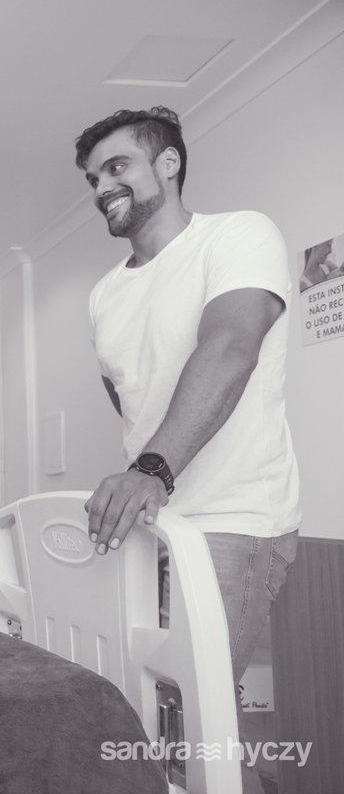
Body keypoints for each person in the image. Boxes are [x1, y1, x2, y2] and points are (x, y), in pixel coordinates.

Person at [76, 107, 300, 793]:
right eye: (92, 178)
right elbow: (131, 396)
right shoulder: (105, 294)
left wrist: (152, 467)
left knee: (194, 727)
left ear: (168, 163)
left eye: (117, 166)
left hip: (233, 519)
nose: (101, 187)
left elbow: (230, 346)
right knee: (158, 718)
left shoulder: (238, 235)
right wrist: (150, 471)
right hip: (154, 529)